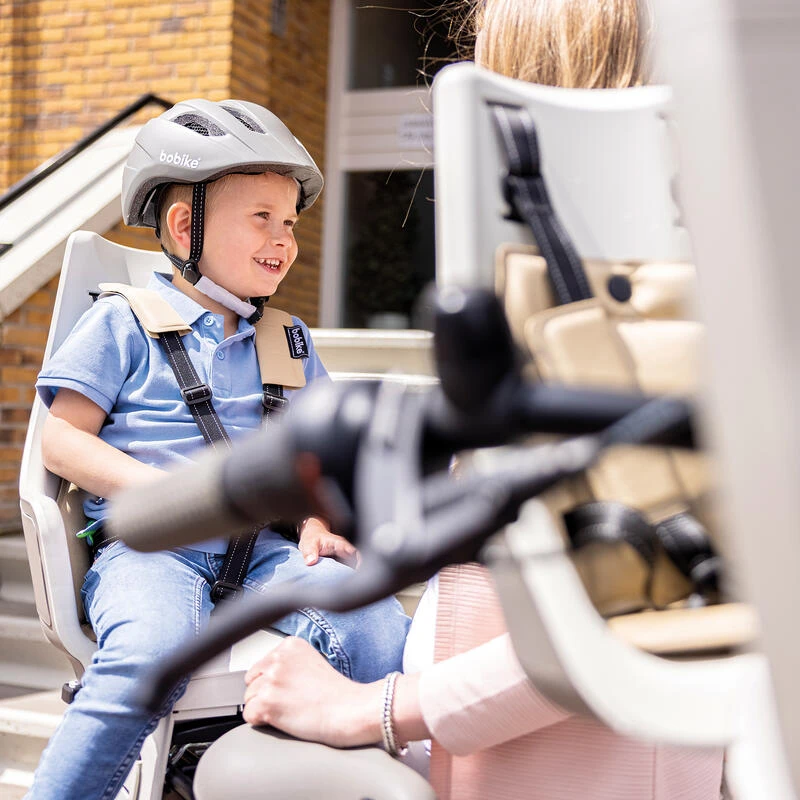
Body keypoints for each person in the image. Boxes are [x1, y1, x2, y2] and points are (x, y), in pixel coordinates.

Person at [195, 2, 725, 799]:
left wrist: (371, 708)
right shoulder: (615, 305)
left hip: (540, 773)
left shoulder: (636, 326)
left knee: (233, 766)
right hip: (497, 750)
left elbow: (625, 622)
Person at [27, 99, 410, 800]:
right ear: (185, 226)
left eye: (290, 223)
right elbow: (60, 440)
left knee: (377, 626)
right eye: (262, 217)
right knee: (148, 658)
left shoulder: (290, 340)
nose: (283, 239)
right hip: (153, 549)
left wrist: (318, 521)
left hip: (264, 550)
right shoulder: (121, 321)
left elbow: (317, 456)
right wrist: (160, 495)